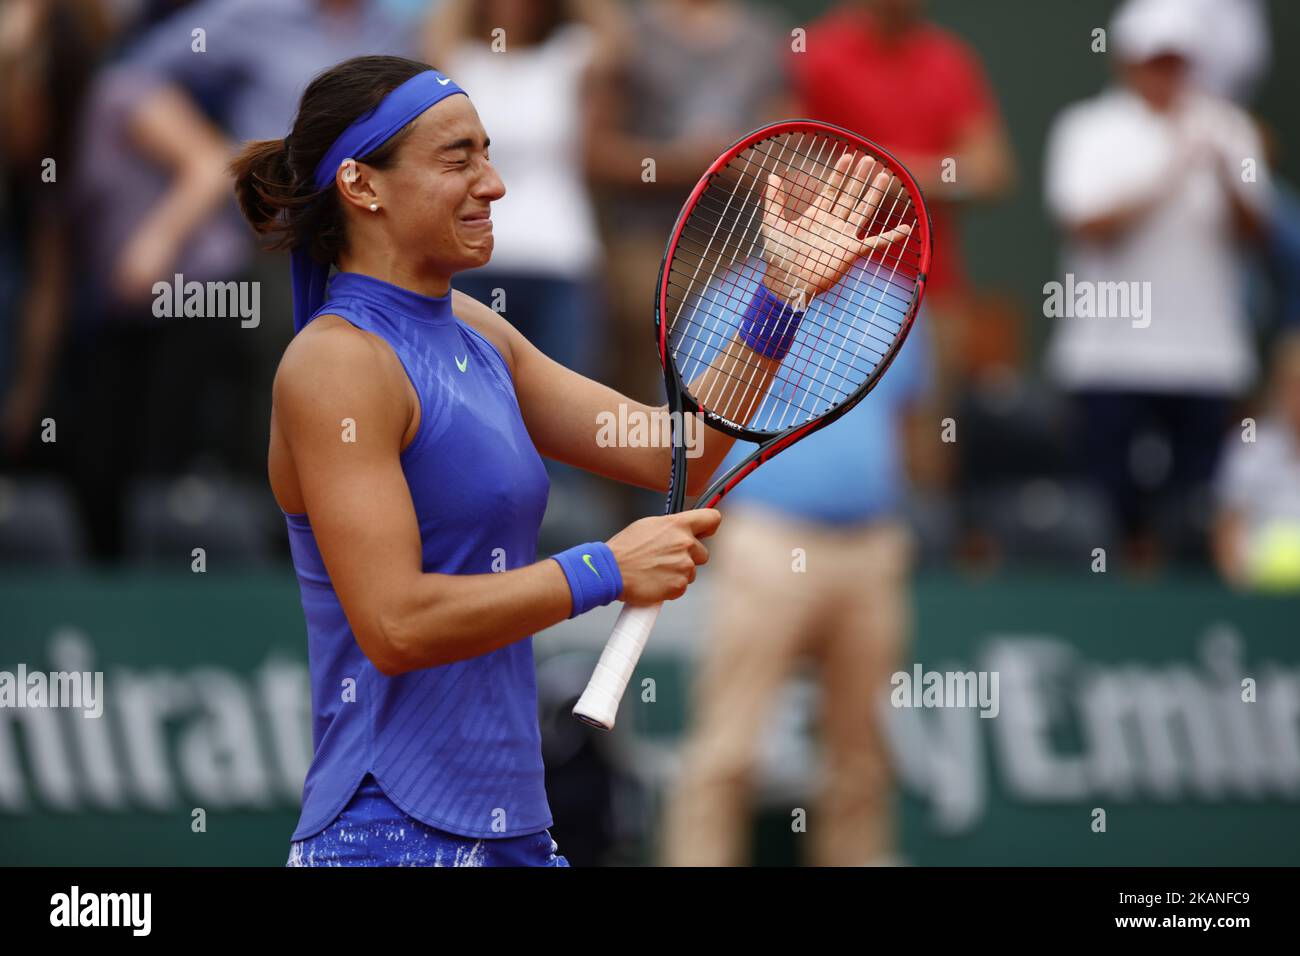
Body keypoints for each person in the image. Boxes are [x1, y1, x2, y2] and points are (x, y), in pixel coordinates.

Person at [228, 55, 890, 865]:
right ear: (363, 186)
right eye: (458, 158)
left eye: (488, 152)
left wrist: (777, 300)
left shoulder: (477, 329)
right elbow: (395, 625)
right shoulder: (336, 365)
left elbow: (669, 447)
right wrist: (604, 569)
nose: (494, 183)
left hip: (513, 825)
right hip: (388, 833)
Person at [661, 265, 930, 867]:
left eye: (832, 191)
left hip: (873, 543)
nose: (816, 207)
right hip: (765, 540)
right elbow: (690, 430)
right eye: (796, 184)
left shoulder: (896, 302)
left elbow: (912, 425)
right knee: (729, 749)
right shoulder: (726, 298)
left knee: (861, 756)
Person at [1042, 0, 1272, 567]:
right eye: (1155, 60)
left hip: (1207, 360)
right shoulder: (1088, 129)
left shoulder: (1230, 128)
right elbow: (1086, 224)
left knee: (1193, 514)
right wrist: (1168, 173)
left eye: (1178, 61)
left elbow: (1259, 233)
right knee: (1105, 517)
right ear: (1126, 61)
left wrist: (1224, 171)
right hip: (1109, 359)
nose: (1167, 74)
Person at [1213, 332, 1300, 591]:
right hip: (1260, 590)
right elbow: (1227, 525)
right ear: (1278, 387)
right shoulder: (1250, 445)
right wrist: (1243, 592)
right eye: (1293, 385)